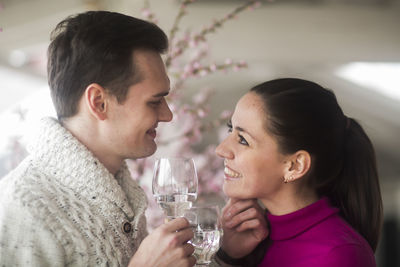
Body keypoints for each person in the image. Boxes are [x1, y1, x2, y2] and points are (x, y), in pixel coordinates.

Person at [0, 11, 267, 266]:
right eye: (154, 102)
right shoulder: (22, 210)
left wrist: (221, 255)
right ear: (99, 102)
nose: (168, 115)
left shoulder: (119, 191)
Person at [216, 78, 383, 267]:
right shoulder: (245, 241)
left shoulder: (338, 255)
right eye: (231, 129)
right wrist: (229, 256)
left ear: (295, 166)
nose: (221, 149)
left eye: (243, 140)